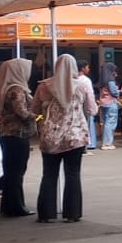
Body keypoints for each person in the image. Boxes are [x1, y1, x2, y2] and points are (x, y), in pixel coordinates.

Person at [33, 55, 96, 224]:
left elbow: (34, 108)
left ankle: (46, 213)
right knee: (72, 174)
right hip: (74, 137)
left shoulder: (44, 86)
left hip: (50, 136)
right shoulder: (82, 86)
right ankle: (72, 213)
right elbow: (92, 109)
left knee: (49, 175)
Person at [0, 59, 36, 218]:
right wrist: (38, 116)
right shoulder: (17, 90)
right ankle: (17, 206)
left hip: (7, 134)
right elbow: (22, 112)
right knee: (17, 172)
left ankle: (8, 206)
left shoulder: (5, 89)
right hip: (17, 134)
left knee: (11, 171)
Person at [98, 62, 120, 150]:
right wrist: (119, 91)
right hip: (111, 102)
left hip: (103, 103)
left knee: (106, 122)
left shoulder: (102, 80)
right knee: (111, 123)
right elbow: (114, 92)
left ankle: (105, 142)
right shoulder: (111, 80)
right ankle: (108, 143)